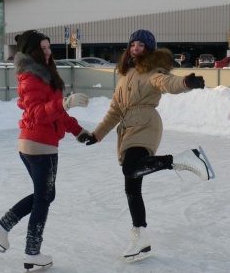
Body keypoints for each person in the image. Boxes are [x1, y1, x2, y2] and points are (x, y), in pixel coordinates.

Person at [77, 29, 210, 262]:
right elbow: (115, 111)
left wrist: (187, 82)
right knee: (131, 186)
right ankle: (142, 238)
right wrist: (96, 135)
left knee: (130, 168)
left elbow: (168, 82)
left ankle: (182, 160)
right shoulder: (125, 75)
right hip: (127, 130)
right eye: (133, 44)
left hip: (146, 125)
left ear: (148, 49)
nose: (135, 48)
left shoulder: (151, 71)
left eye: (141, 45)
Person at [0, 30, 90, 270]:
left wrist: (78, 131)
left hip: (39, 144)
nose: (48, 51)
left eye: (49, 47)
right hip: (39, 146)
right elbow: (37, 113)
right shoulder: (31, 77)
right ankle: (32, 252)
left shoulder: (45, 75)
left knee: (45, 195)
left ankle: (1, 228)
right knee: (44, 197)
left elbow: (57, 113)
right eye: (42, 48)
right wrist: (64, 101)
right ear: (31, 52)